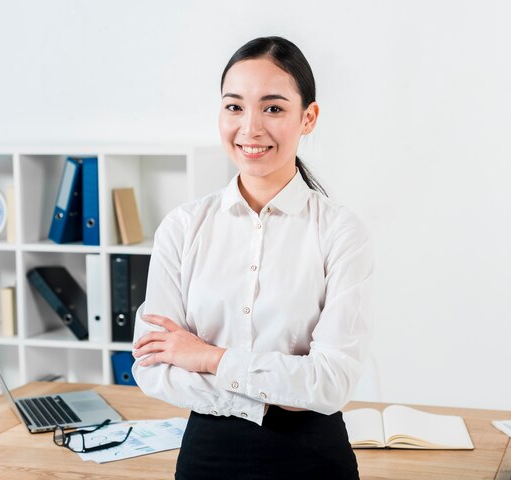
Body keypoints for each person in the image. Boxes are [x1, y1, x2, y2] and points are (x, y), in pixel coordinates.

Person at [132, 36, 373, 480]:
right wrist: (280, 384)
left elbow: (331, 382)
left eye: (274, 108)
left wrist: (207, 357)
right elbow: (152, 367)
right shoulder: (183, 227)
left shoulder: (339, 232)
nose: (250, 128)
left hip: (314, 462)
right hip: (206, 459)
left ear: (309, 118)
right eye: (234, 106)